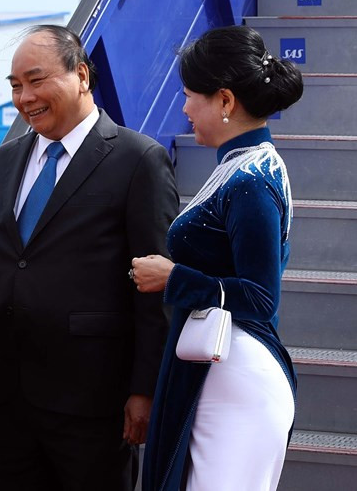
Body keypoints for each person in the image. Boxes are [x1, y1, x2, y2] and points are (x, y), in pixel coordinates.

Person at [0, 25, 177, 490]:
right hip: (4, 394)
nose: (24, 98)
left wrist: (144, 388)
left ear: (81, 75)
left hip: (93, 400)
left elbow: (154, 288)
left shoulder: (138, 160)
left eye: (36, 81)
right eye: (16, 86)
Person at [135, 25, 301, 490]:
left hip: (237, 377)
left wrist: (174, 278)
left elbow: (261, 296)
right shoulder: (242, 165)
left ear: (225, 101)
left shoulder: (251, 179)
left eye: (191, 96)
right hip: (222, 369)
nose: (185, 108)